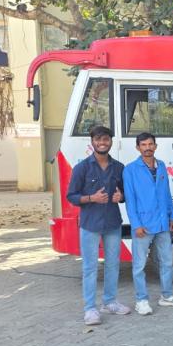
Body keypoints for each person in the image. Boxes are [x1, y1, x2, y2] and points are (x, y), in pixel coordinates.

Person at [66, 125, 129, 325]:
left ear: (111, 142)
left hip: (112, 223)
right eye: (98, 139)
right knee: (90, 267)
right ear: (92, 142)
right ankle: (90, 309)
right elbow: (71, 196)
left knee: (113, 264)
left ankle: (110, 302)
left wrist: (121, 197)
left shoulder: (119, 167)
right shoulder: (82, 168)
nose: (102, 143)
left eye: (106, 139)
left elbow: (126, 194)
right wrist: (91, 198)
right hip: (90, 224)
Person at [123, 132, 173, 315]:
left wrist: (172, 216)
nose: (147, 148)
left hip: (162, 223)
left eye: (150, 144)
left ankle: (167, 296)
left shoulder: (161, 166)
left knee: (166, 262)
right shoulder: (130, 169)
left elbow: (166, 193)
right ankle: (141, 300)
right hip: (143, 225)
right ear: (138, 148)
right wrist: (136, 224)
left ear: (155, 146)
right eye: (143, 145)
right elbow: (130, 200)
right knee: (139, 265)